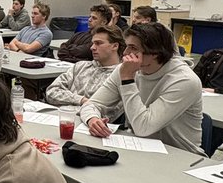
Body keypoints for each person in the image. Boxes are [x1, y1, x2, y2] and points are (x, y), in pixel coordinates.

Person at [80, 23, 203, 155]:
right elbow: (91, 104)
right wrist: (92, 119)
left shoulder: (185, 80)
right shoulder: (125, 69)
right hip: (138, 147)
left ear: (155, 52)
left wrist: (127, 79)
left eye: (133, 48)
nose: (125, 53)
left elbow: (143, 127)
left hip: (181, 155)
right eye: (127, 46)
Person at [47, 26, 124, 118]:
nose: (92, 47)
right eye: (93, 43)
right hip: (59, 118)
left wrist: (70, 103)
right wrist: (81, 100)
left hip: (86, 122)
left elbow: (109, 112)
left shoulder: (122, 76)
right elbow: (51, 92)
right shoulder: (80, 67)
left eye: (98, 43)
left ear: (115, 46)